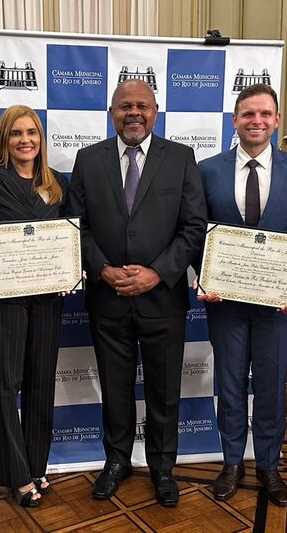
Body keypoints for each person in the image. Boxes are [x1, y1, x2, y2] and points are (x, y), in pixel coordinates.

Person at [68, 80, 207, 507]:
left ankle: (163, 467)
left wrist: (157, 273)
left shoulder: (181, 158)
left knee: (165, 390)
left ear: (155, 111)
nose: (134, 112)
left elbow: (193, 227)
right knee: (115, 386)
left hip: (161, 298)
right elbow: (78, 225)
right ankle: (117, 461)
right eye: (125, 106)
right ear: (112, 112)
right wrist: (103, 270)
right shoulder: (88, 159)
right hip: (107, 298)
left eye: (142, 106)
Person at [195, 84, 287, 506]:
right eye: (248, 114)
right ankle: (232, 462)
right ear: (235, 120)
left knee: (271, 387)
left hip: (278, 307)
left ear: (277, 120)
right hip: (225, 304)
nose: (257, 121)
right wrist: (203, 277)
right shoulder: (207, 169)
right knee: (229, 386)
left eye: (265, 114)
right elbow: (198, 233)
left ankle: (268, 466)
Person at [0, 105, 69, 507]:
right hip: (3, 298)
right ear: (4, 139)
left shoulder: (57, 184)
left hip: (48, 297)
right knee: (6, 384)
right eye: (17, 133)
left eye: (32, 133)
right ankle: (16, 474)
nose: (26, 140)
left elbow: (72, 233)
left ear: (41, 138)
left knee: (41, 380)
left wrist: (72, 269)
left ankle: (36, 465)